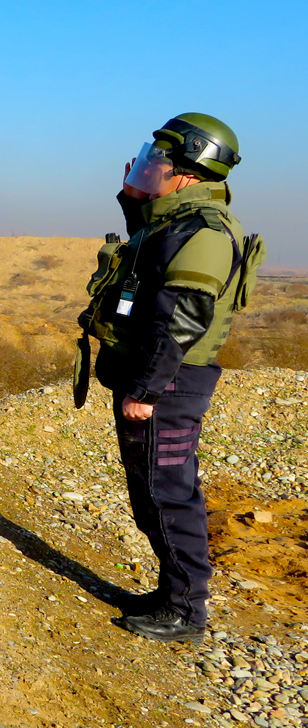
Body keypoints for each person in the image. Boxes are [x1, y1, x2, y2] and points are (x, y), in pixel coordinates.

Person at [78, 113, 265, 644]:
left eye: (156, 160)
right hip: (162, 379)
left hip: (171, 382)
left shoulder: (202, 232)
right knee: (155, 491)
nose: (147, 164)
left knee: (168, 495)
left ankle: (185, 611)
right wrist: (131, 193)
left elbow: (182, 316)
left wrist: (147, 389)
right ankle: (171, 595)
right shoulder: (176, 222)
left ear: (185, 172)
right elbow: (147, 249)